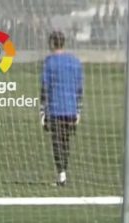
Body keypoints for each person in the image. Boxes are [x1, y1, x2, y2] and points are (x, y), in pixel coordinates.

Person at [41, 30, 83, 187]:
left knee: (57, 141)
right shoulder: (75, 62)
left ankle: (61, 174)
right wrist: (78, 110)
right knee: (65, 141)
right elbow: (79, 87)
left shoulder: (49, 62)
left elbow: (45, 87)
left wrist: (42, 111)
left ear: (52, 43)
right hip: (71, 109)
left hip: (55, 108)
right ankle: (63, 173)